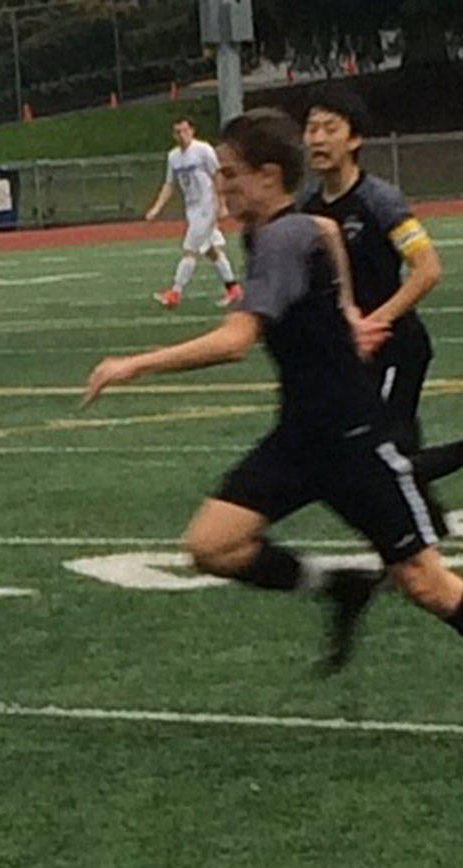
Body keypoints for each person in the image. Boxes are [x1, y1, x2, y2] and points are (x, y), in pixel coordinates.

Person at [85, 108, 463, 672]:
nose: (222, 186)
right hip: (301, 436)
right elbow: (329, 233)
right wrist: (348, 314)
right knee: (212, 545)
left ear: (267, 175)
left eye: (231, 174)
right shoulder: (296, 226)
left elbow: (236, 340)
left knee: (427, 584)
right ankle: (340, 585)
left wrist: (134, 365)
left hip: (354, 439)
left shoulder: (282, 238)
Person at [300, 85, 463, 500]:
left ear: (354, 139)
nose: (317, 138)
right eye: (311, 128)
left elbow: (427, 269)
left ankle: (409, 554)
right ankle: (422, 541)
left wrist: (375, 322)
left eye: (329, 128)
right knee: (386, 456)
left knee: (383, 461)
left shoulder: (379, 200)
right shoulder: (307, 206)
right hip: (351, 354)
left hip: (395, 348)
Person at [146, 116, 243, 309]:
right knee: (211, 250)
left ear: (192, 130)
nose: (182, 135)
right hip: (192, 209)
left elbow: (217, 175)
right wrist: (156, 207)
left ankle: (175, 292)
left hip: (207, 206)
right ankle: (233, 289)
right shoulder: (173, 156)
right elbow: (170, 184)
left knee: (189, 250)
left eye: (185, 130)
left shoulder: (203, 150)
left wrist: (221, 204)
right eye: (178, 132)